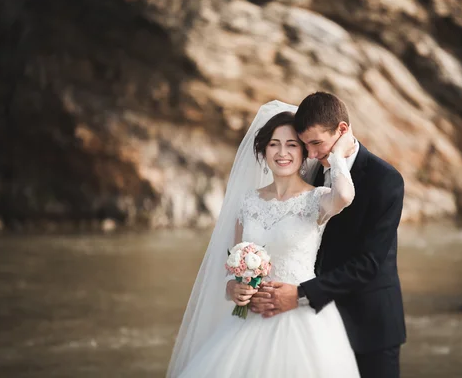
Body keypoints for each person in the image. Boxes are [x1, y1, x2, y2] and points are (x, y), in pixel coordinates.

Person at [166, 100, 360, 377]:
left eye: (292, 144)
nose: (283, 153)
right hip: (250, 319)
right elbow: (231, 265)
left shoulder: (317, 199)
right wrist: (234, 288)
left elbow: (344, 196)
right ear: (263, 150)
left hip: (301, 319)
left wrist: (338, 154)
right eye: (274, 144)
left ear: (305, 151)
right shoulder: (248, 201)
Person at [250, 92, 406, 378]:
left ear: (342, 130)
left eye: (317, 143)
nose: (310, 154)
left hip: (370, 323)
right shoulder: (311, 171)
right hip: (314, 322)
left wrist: (300, 294)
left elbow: (368, 263)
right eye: (305, 144)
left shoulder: (385, 180)